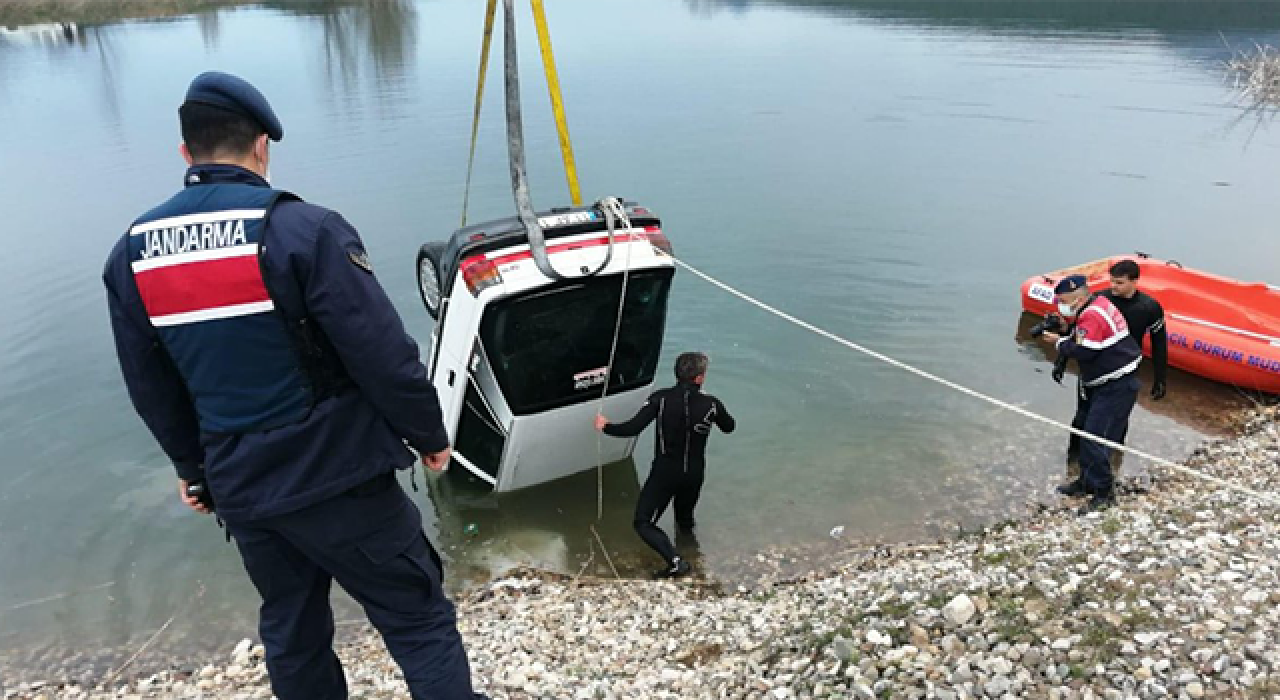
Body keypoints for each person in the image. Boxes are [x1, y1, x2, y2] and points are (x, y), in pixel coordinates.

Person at [103, 71, 485, 700]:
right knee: (417, 616)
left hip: (247, 494)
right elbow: (383, 354)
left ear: (185, 154)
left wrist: (192, 468)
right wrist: (428, 433)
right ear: (262, 145)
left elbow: (151, 385)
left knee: (293, 626)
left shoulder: (133, 255)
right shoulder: (303, 231)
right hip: (341, 479)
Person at [594, 352, 735, 578]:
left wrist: (606, 426)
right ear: (699, 378)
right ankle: (694, 556)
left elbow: (632, 428)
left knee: (643, 522)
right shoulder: (711, 404)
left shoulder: (660, 399)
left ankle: (677, 562)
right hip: (694, 473)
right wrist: (710, 406)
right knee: (685, 520)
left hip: (665, 473)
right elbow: (729, 427)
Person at [1039, 275, 1142, 513]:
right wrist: (1067, 331)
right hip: (1106, 381)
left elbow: (1086, 351)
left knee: (1095, 437)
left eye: (1064, 301)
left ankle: (1104, 493)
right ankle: (1086, 480)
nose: (1061, 306)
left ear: (1078, 299)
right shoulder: (1098, 304)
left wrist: (1058, 343)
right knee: (1085, 429)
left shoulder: (1092, 314)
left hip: (1116, 384)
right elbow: (1090, 338)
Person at [1059, 259, 1168, 478]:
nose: (1113, 287)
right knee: (1081, 418)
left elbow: (1159, 344)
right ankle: (1073, 466)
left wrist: (1160, 378)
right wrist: (1060, 361)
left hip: (1122, 367)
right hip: (1093, 369)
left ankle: (1109, 466)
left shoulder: (1149, 308)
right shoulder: (1101, 300)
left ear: (1134, 281)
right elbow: (1077, 334)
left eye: (1119, 283)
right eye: (1112, 282)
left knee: (1116, 422)